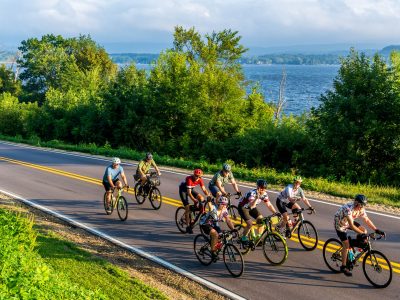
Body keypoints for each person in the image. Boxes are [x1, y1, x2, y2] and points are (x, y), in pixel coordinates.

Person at [334, 194, 385, 277]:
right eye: (360, 205)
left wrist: (376, 229)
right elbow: (352, 226)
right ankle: (343, 267)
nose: (361, 207)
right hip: (340, 224)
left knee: (364, 230)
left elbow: (367, 220)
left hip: (348, 221)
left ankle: (354, 246)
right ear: (356, 203)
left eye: (363, 205)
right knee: (346, 245)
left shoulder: (361, 209)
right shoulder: (348, 209)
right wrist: (362, 234)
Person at [238, 179, 278, 245]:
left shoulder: (264, 194)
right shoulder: (252, 194)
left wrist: (275, 212)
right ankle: (243, 238)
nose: (263, 190)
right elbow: (252, 205)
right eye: (261, 188)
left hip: (251, 208)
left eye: (264, 188)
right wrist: (257, 198)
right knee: (250, 224)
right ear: (258, 187)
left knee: (261, 220)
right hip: (243, 207)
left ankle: (258, 239)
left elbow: (269, 204)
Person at [199, 195, 237, 260]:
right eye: (222, 204)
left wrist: (233, 229)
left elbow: (228, 220)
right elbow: (210, 206)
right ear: (218, 204)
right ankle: (213, 252)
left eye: (226, 204)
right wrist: (209, 201)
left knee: (221, 236)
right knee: (215, 234)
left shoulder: (224, 210)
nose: (224, 206)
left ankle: (211, 245)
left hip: (214, 224)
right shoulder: (214, 208)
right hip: (205, 223)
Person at [179, 168, 211, 234]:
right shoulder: (189, 179)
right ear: (193, 174)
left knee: (201, 198)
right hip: (183, 191)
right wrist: (194, 200)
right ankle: (188, 226)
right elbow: (189, 193)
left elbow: (204, 189)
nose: (197, 177)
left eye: (199, 176)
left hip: (190, 189)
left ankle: (194, 209)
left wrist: (208, 195)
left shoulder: (199, 179)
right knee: (187, 208)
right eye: (196, 175)